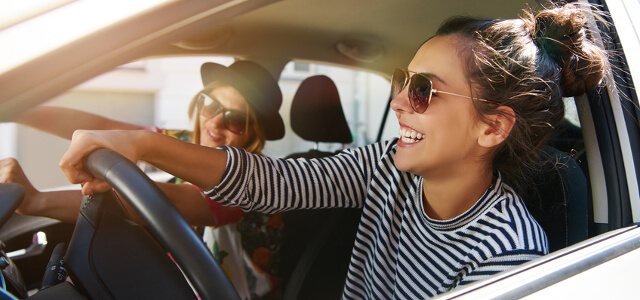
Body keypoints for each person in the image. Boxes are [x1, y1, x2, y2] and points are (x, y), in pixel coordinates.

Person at [56, 3, 609, 299]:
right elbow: (271, 182)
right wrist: (136, 143)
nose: (398, 104)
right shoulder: (385, 166)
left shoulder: (508, 256)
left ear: (492, 127)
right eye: (401, 80)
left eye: (423, 90)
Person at [2, 61, 287, 299]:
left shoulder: (251, 181)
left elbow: (169, 201)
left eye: (235, 119)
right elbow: (103, 129)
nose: (214, 123)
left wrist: (38, 199)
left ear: (253, 134)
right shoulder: (184, 141)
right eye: (210, 105)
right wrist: (17, 108)